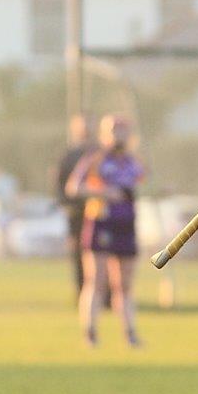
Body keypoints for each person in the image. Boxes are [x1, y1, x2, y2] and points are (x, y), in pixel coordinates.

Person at [65, 114, 144, 347]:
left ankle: (130, 333)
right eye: (113, 130)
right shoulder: (95, 159)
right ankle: (90, 332)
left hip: (126, 225)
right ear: (104, 134)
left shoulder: (133, 162)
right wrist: (103, 193)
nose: (118, 134)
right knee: (96, 280)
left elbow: (145, 185)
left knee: (125, 283)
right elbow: (73, 188)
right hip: (101, 222)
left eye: (122, 130)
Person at [52, 113, 95, 301]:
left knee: (101, 255)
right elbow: (60, 183)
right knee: (79, 253)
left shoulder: (99, 153)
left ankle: (105, 296)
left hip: (99, 213)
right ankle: (81, 294)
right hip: (77, 213)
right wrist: (66, 205)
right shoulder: (69, 155)